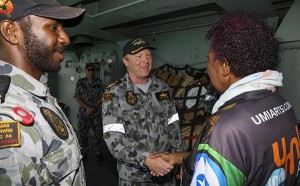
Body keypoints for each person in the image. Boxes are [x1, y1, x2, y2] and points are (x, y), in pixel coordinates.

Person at [151, 10, 300, 186]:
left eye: (209, 60)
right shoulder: (282, 104)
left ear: (224, 66)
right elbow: (235, 158)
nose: (207, 67)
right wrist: (175, 158)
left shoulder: (226, 127)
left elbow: (225, 153)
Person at [0, 0, 86, 185]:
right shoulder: (8, 115)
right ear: (11, 32)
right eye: (53, 27)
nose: (66, 38)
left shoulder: (31, 96)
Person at [101, 38, 186, 185]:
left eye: (148, 55)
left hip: (166, 172)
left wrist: (179, 159)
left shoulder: (162, 87)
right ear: (125, 61)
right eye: (138, 56)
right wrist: (145, 159)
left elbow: (174, 126)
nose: (145, 60)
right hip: (134, 177)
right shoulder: (114, 93)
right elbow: (113, 139)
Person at [74, 63, 105, 161]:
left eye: (93, 70)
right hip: (84, 113)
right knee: (83, 134)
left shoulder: (99, 82)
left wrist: (93, 107)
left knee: (98, 134)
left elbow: (102, 96)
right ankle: (84, 151)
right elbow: (77, 97)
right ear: (85, 71)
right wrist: (87, 108)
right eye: (89, 69)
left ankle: (98, 152)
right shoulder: (80, 82)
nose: (91, 71)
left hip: (95, 113)